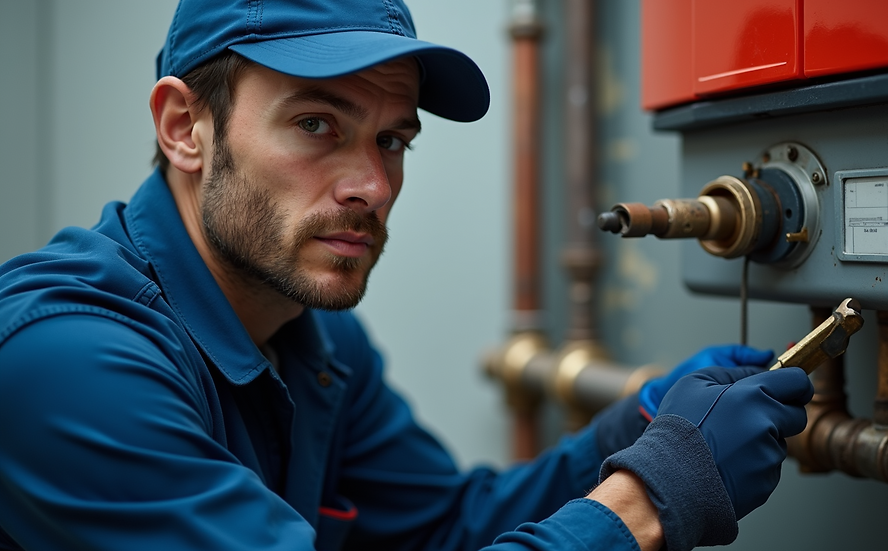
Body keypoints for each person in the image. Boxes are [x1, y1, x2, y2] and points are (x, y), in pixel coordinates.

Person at [0, 1, 814, 550]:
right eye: (317, 123)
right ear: (186, 128)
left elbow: (447, 525)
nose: (373, 186)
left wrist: (636, 429)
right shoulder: (65, 363)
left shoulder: (312, 333)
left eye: (392, 140)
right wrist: (649, 498)